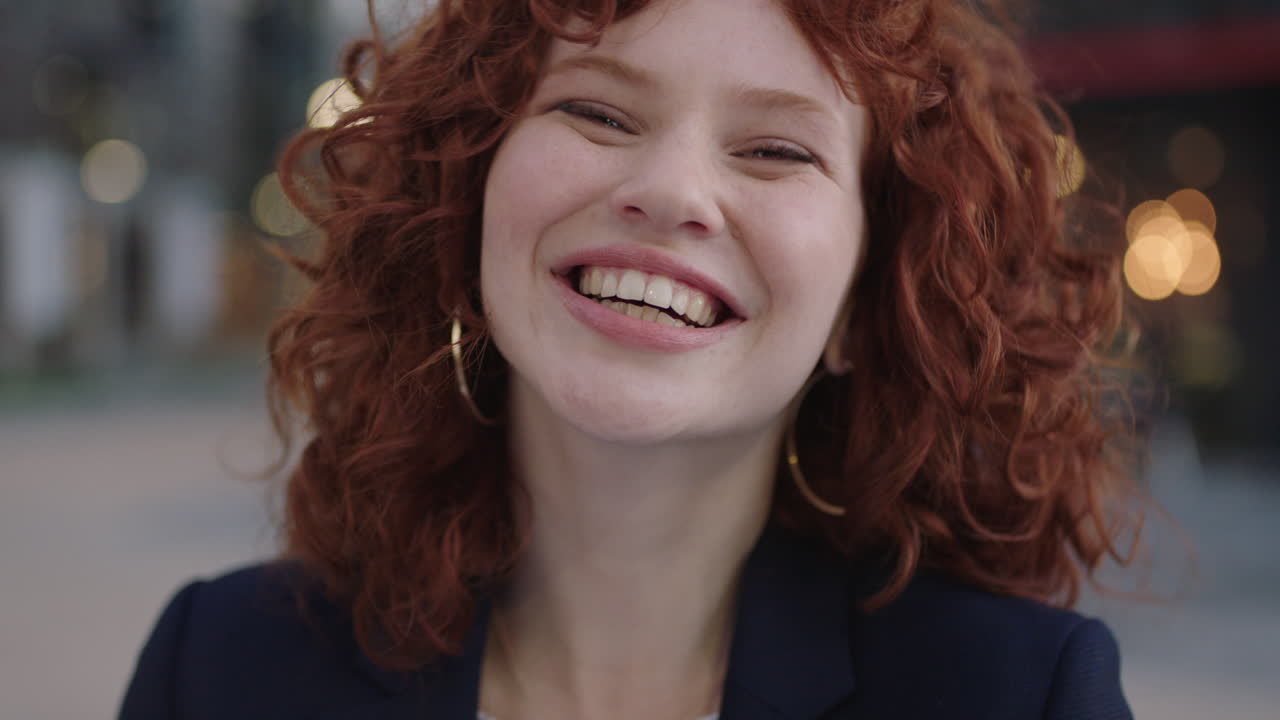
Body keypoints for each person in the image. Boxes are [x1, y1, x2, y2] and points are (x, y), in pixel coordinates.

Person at [119, 0, 1143, 718]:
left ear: (865, 307)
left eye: (774, 149)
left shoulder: (1016, 696)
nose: (669, 190)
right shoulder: (218, 671)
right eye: (597, 112)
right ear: (465, 204)